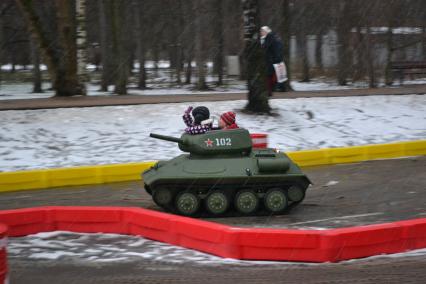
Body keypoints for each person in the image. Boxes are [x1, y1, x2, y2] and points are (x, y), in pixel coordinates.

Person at [260, 26, 284, 96]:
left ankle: (269, 91)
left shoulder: (269, 37)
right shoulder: (274, 37)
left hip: (271, 60)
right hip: (275, 59)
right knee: (272, 75)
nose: (261, 33)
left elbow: (265, 47)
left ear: (266, 31)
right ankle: (276, 88)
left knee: (269, 76)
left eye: (262, 31)